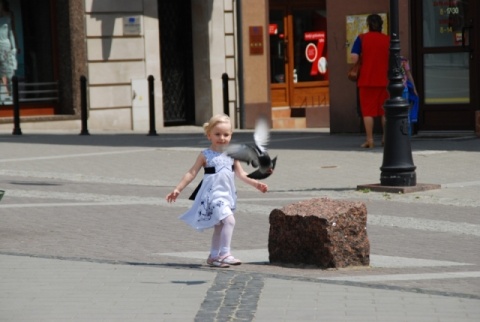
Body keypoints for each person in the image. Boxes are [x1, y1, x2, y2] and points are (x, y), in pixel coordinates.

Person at [166, 114, 269, 268]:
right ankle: (225, 254)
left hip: (227, 195)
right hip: (211, 195)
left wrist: (256, 183)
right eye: (217, 134)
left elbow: (241, 174)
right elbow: (191, 173)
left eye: (226, 135)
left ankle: (213, 256)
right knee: (229, 221)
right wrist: (177, 189)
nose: (222, 138)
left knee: (220, 226)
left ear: (231, 135)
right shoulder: (205, 154)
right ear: (209, 135)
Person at [350, 14, 390, 148]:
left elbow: (354, 58)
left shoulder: (361, 38)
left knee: (368, 112)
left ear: (368, 25)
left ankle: (370, 140)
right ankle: (385, 138)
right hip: (384, 80)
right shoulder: (388, 40)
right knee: (384, 111)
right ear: (381, 25)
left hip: (366, 80)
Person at [0, 0, 17, 100]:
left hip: (6, 47)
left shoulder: (7, 18)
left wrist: (14, 49)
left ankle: (12, 96)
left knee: (9, 73)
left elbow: (11, 33)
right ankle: (2, 97)